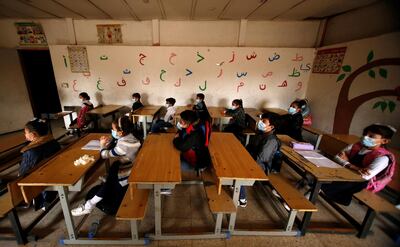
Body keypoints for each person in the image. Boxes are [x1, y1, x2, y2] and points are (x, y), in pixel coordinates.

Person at [71, 116, 141, 216]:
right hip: (129, 166)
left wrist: (102, 145)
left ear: (120, 132)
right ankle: (107, 181)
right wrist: (111, 141)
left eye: (113, 129)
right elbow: (119, 144)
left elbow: (104, 155)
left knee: (108, 185)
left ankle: (88, 206)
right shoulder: (131, 137)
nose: (112, 131)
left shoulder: (123, 145)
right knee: (111, 173)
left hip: (126, 172)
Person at [320, 124, 396, 206]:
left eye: (371, 136)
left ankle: (317, 190)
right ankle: (318, 188)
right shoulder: (356, 145)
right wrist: (353, 166)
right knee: (324, 171)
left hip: (360, 182)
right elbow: (337, 157)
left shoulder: (383, 157)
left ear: (384, 141)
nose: (365, 137)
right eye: (365, 134)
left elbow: (364, 176)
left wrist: (347, 162)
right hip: (346, 172)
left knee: (329, 184)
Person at [238, 113, 281, 207]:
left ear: (272, 126)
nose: (260, 123)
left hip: (261, 166)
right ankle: (236, 184)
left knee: (239, 169)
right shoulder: (260, 133)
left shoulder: (271, 140)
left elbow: (262, 158)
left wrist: (245, 160)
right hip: (252, 159)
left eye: (264, 122)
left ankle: (242, 199)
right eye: (261, 120)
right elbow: (249, 147)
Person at [20, 119, 61, 210]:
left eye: (25, 132)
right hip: (56, 174)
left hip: (40, 181)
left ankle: (42, 201)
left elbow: (23, 173)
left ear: (33, 134)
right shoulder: (53, 142)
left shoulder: (30, 151)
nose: (25, 135)